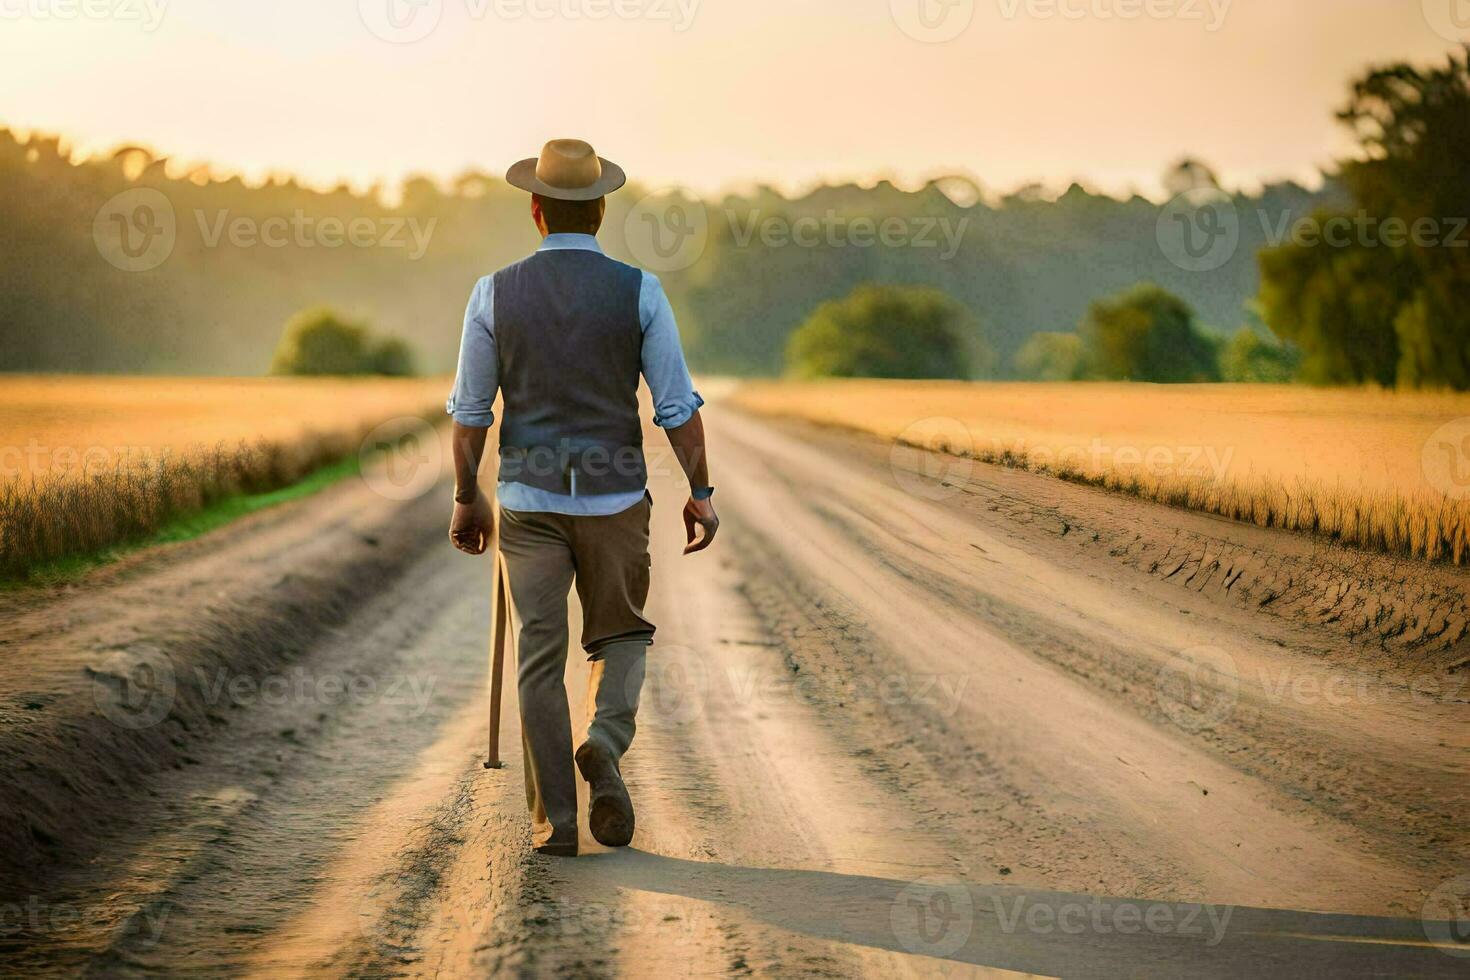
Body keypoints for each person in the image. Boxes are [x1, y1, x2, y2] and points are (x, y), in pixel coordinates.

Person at [445, 139, 718, 857]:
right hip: (617, 497)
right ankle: (601, 741)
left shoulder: (491, 292)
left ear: (536, 210)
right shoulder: (641, 290)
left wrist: (466, 497)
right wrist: (700, 490)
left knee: (539, 658)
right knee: (621, 635)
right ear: (600, 210)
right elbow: (675, 406)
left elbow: (472, 411)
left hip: (528, 500)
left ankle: (555, 826)